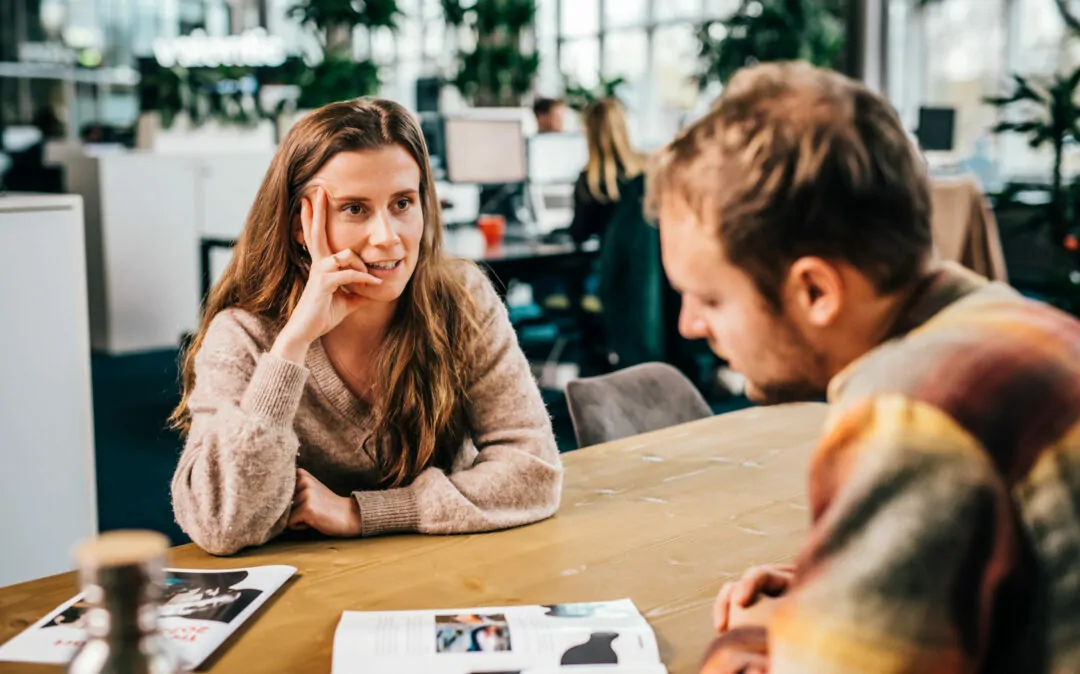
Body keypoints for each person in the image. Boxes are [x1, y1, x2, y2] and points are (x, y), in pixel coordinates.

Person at [648, 62, 1080, 673]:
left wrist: (750, 640)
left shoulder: (917, 414)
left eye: (711, 298)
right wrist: (834, 588)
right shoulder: (1025, 325)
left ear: (816, 292)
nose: (690, 324)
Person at [170, 98, 562, 557]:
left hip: (439, 572)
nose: (388, 236)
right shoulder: (243, 334)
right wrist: (292, 345)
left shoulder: (462, 299)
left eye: (402, 203)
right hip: (305, 595)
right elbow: (221, 523)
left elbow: (533, 468)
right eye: (354, 209)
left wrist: (363, 514)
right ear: (301, 224)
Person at [569, 98, 645, 245]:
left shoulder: (590, 181)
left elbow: (579, 234)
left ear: (590, 133)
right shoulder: (644, 171)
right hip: (646, 263)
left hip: (610, 263)